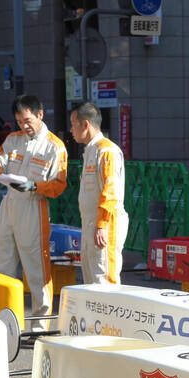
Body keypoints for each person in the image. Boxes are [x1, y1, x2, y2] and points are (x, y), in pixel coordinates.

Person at [0, 95, 68, 316]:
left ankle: (41, 323)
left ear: (40, 114)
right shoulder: (13, 139)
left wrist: (34, 186)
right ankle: (2, 318)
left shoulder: (54, 147)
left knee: (36, 268)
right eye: (20, 121)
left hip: (34, 206)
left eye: (28, 120)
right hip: (9, 204)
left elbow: (59, 185)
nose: (24, 125)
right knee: (1, 263)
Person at [70, 102, 127, 285]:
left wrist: (101, 224)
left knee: (104, 279)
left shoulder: (106, 150)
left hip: (105, 225)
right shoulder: (91, 151)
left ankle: (108, 314)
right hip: (92, 225)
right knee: (91, 279)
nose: (71, 130)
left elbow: (110, 190)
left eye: (73, 124)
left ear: (85, 124)